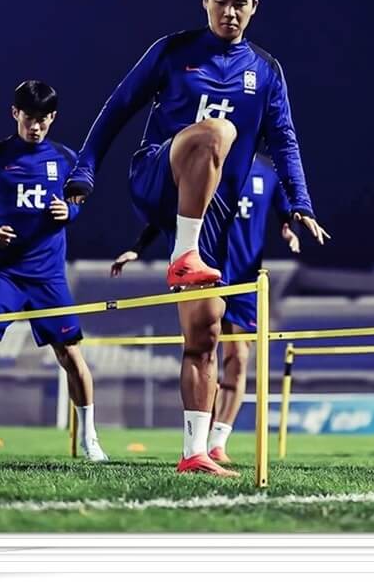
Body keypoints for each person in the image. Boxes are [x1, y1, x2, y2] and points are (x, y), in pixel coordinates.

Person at [65, 0, 328, 477]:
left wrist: (299, 202)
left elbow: (285, 140)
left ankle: (195, 452)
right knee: (218, 133)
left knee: (204, 335)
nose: (230, 11)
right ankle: (183, 252)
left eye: (240, 3)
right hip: (157, 176)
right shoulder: (172, 51)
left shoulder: (266, 71)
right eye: (220, 0)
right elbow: (116, 108)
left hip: (213, 215)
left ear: (254, 8)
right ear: (204, 0)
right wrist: (84, 170)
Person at [0, 81, 108, 462]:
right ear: (15, 113)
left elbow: (79, 197)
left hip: (49, 277)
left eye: (44, 120)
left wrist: (70, 211)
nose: (36, 126)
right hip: (6, 273)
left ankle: (89, 438)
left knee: (71, 356)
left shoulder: (65, 158)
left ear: (53, 118)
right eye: (30, 118)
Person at [111, 153, 300, 464]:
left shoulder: (268, 173)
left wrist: (289, 230)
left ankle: (218, 442)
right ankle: (199, 439)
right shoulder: (210, 163)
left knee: (238, 358)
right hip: (208, 273)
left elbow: (285, 213)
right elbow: (173, 213)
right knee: (203, 352)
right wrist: (137, 248)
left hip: (246, 280)